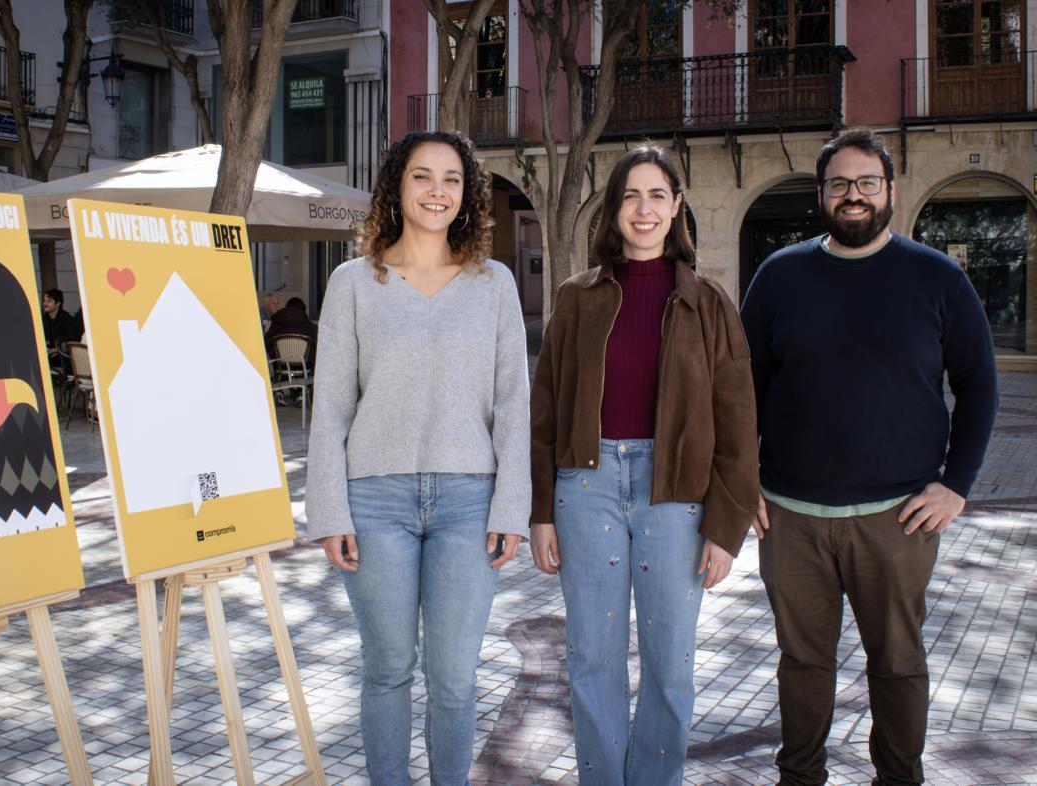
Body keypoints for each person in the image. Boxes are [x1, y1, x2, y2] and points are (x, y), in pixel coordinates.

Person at [740, 129, 999, 786]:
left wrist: (956, 484)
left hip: (898, 517)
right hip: (791, 518)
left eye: (866, 183)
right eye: (839, 184)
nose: (853, 195)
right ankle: (800, 777)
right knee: (802, 664)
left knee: (899, 665)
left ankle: (899, 779)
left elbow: (979, 383)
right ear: (821, 194)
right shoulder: (779, 275)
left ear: (890, 191)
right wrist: (742, 478)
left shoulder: (937, 277)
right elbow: (741, 389)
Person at [529, 145, 759, 786]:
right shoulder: (576, 298)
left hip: (675, 495)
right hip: (586, 485)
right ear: (613, 210)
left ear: (677, 206)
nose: (644, 208)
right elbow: (545, 410)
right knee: (591, 658)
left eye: (657, 195)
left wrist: (726, 526)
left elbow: (738, 422)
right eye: (630, 195)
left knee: (669, 665)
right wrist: (541, 512)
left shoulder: (709, 303)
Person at [306, 130, 530, 786]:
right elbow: (331, 408)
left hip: (470, 502)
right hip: (374, 502)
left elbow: (515, 403)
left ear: (468, 194)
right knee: (387, 670)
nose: (438, 191)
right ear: (396, 188)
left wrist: (511, 507)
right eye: (423, 177)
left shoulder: (495, 284)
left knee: (455, 678)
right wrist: (329, 511)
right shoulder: (352, 283)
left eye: (452, 179)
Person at [41, 288, 79, 366]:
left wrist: (56, 350)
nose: (45, 303)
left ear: (58, 304)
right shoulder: (44, 318)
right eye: (44, 301)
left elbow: (73, 341)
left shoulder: (67, 320)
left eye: (49, 301)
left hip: (64, 360)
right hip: (48, 357)